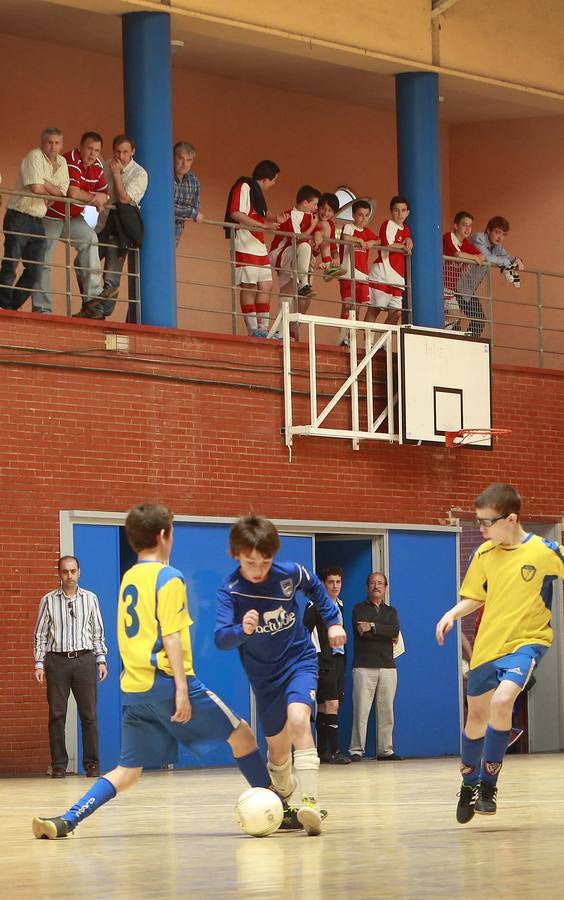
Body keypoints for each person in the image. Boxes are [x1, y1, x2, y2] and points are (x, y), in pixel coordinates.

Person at [32, 503, 285, 840]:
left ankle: (67, 819)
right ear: (164, 535)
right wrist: (182, 687)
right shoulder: (169, 577)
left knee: (128, 770)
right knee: (243, 736)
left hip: (135, 688)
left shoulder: (129, 577)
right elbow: (171, 634)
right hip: (168, 682)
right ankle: (283, 809)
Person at [435, 483, 564, 824]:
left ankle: (489, 786)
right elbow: (475, 596)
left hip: (527, 642)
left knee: (502, 701)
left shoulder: (544, 551)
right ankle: (469, 785)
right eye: (478, 522)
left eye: (486, 522)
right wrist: (452, 613)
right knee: (476, 718)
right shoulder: (483, 555)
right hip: (487, 647)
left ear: (511, 519)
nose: (480, 529)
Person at [215, 515, 347, 835]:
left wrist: (333, 622)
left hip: (299, 660)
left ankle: (311, 803)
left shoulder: (290, 573)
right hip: (263, 675)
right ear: (236, 556)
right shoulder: (230, 591)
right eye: (250, 563)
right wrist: (240, 630)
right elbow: (221, 639)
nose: (259, 570)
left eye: (265, 561)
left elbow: (316, 589)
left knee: (299, 720)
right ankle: (285, 798)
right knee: (277, 749)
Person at [33, 555, 108, 779]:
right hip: (57, 662)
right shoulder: (48, 600)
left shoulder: (91, 598)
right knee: (57, 715)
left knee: (89, 715)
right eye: (65, 571)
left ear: (79, 572)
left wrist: (101, 660)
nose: (69, 576)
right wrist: (39, 663)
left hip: (84, 660)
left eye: (73, 571)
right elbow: (40, 634)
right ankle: (58, 765)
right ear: (59, 573)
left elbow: (97, 632)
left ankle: (92, 764)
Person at [35, 131, 109, 314]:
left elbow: (106, 195)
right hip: (51, 216)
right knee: (42, 260)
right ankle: (42, 309)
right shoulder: (70, 159)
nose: (93, 154)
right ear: (81, 147)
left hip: (72, 218)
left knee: (91, 238)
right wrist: (94, 198)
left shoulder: (98, 165)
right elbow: (73, 193)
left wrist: (95, 198)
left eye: (97, 150)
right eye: (89, 149)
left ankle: (93, 295)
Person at [77, 134, 148, 320]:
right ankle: (91, 306)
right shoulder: (105, 164)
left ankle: (100, 313)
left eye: (125, 152)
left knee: (111, 276)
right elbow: (98, 191)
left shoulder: (140, 173)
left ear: (132, 152)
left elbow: (124, 199)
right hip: (101, 226)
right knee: (80, 262)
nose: (121, 156)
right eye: (117, 151)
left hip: (120, 231)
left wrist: (116, 175)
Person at [0, 128, 69, 313]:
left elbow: (62, 193)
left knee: (36, 270)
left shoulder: (62, 162)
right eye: (49, 142)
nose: (53, 146)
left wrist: (44, 183)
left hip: (38, 221)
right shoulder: (34, 156)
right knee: (10, 264)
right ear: (42, 142)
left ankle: (10, 306)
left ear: (62, 145)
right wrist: (47, 186)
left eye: (57, 143)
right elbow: (36, 188)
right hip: (19, 216)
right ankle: (3, 306)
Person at [225, 160, 288, 337]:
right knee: (249, 285)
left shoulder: (256, 192)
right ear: (266, 178)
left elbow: (259, 213)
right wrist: (265, 227)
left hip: (258, 244)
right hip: (244, 241)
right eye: (274, 180)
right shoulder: (244, 185)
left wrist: (275, 218)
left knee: (266, 285)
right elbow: (236, 213)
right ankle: (253, 329)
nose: (274, 184)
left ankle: (263, 329)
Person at [349, 572, 403, 762]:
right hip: (364, 666)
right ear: (367, 587)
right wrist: (383, 631)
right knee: (361, 711)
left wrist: (372, 626)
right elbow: (363, 633)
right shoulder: (358, 609)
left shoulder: (391, 612)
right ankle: (356, 750)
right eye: (372, 583)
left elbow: (394, 630)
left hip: (388, 666)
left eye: (380, 583)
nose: (376, 586)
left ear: (386, 588)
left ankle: (385, 750)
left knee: (387, 710)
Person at [304, 566, 350, 764]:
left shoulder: (340, 604)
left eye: (338, 582)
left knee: (324, 706)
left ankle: (322, 751)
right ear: (323, 583)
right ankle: (336, 751)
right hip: (323, 660)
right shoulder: (314, 606)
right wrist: (316, 657)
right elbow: (306, 633)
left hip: (338, 659)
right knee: (332, 704)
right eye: (330, 582)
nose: (335, 586)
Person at [269, 184, 321, 341]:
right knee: (304, 246)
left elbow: (317, 230)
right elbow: (297, 239)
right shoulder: (289, 215)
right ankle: (304, 284)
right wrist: (313, 226)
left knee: (287, 292)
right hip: (281, 253)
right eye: (315, 204)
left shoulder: (308, 217)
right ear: (305, 203)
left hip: (293, 257)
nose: (316, 208)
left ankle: (280, 332)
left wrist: (317, 231)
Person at [458, 216, 524, 337]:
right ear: (488, 230)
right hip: (456, 286)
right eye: (497, 232)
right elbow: (486, 257)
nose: (500, 237)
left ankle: (468, 345)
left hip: (467, 290)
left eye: (503, 234)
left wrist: (517, 260)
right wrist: (505, 262)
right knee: (456, 320)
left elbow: (508, 257)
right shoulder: (479, 238)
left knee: (478, 320)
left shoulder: (497, 247)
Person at [366, 195, 412, 326]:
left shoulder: (406, 229)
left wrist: (408, 240)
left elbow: (406, 239)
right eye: (396, 210)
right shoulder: (387, 224)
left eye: (403, 210)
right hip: (383, 274)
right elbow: (388, 244)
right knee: (374, 309)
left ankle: (382, 344)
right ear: (391, 211)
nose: (400, 214)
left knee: (396, 313)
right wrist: (404, 246)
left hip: (397, 279)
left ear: (408, 212)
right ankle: (369, 342)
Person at [337, 199, 378, 345]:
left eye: (366, 215)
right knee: (347, 304)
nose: (363, 218)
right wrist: (358, 240)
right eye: (360, 215)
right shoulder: (348, 227)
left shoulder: (367, 232)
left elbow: (378, 240)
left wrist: (372, 242)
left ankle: (351, 337)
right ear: (354, 215)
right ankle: (343, 337)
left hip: (362, 275)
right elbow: (345, 238)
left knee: (357, 308)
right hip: (348, 273)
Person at [442, 211, 484, 330]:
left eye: (470, 226)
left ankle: (442, 335)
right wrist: (472, 258)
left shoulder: (465, 243)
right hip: (439, 285)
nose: (468, 228)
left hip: (450, 288)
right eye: (464, 225)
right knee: (448, 316)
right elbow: (458, 254)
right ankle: (439, 335)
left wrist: (472, 258)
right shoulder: (449, 236)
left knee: (454, 317)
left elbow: (482, 256)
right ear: (456, 226)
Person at [173, 141, 203, 247]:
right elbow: (165, 207)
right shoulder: (164, 174)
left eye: (189, 160)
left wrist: (192, 212)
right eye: (181, 158)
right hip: (157, 230)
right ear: (173, 157)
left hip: (176, 235)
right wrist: (191, 212)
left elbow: (196, 207)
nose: (184, 164)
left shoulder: (193, 179)